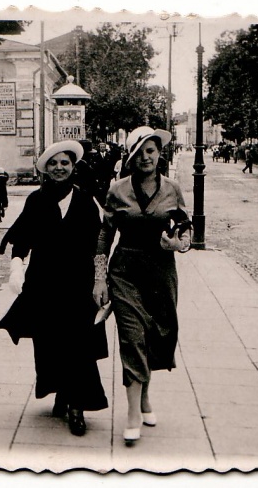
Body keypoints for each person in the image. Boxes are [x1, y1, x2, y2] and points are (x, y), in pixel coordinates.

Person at [0, 140, 108, 437]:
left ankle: (77, 406)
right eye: (54, 164)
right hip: (44, 284)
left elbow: (98, 245)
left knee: (79, 344)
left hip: (78, 285)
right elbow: (22, 237)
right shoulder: (36, 200)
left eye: (65, 163)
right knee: (49, 343)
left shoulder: (85, 201)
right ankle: (61, 391)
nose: (60, 168)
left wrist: (100, 280)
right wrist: (17, 267)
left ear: (73, 167)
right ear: (46, 169)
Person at [93, 126, 192, 445]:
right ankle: (133, 412)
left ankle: (145, 396)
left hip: (161, 273)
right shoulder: (117, 190)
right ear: (130, 157)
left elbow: (185, 228)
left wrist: (178, 244)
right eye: (139, 152)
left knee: (155, 336)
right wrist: (99, 277)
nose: (146, 157)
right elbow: (105, 234)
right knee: (132, 337)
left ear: (159, 154)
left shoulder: (172, 188)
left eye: (151, 151)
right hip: (125, 271)